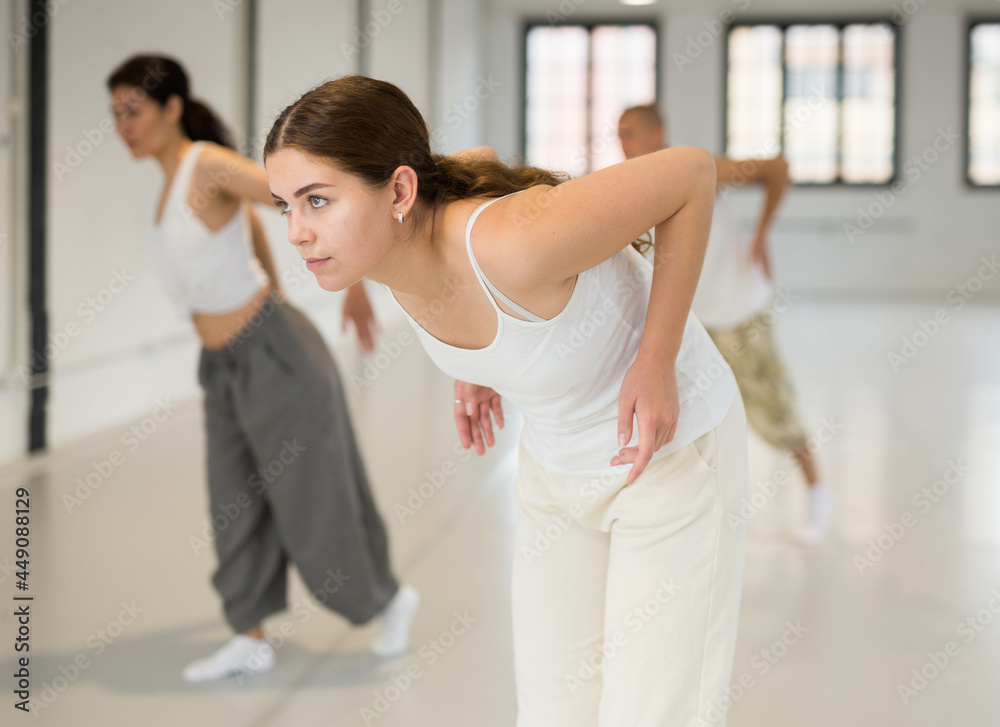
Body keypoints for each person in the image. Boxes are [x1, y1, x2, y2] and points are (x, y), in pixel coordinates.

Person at [263, 75, 748, 727]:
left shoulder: (514, 241)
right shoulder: (397, 240)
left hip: (667, 458)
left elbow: (691, 174)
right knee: (553, 710)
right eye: (283, 205)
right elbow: (481, 160)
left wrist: (656, 358)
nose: (295, 231)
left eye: (317, 200)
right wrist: (482, 359)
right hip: (556, 473)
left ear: (400, 190)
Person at [107, 56, 418, 683]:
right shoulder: (173, 185)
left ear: (171, 109)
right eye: (115, 114)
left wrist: (357, 275)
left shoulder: (207, 164)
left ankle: (385, 599)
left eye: (133, 110)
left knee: (313, 498)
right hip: (221, 364)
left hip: (272, 354)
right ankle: (248, 637)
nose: (123, 125)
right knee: (232, 501)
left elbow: (307, 192)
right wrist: (274, 287)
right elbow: (247, 220)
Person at [619, 104, 834, 544]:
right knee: (684, 422)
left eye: (632, 132)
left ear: (659, 131)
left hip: (739, 316)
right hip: (692, 326)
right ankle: (687, 516)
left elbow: (777, 169)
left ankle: (818, 492)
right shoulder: (630, 187)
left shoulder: (698, 168)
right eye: (619, 134)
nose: (625, 143)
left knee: (775, 411)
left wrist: (761, 234)